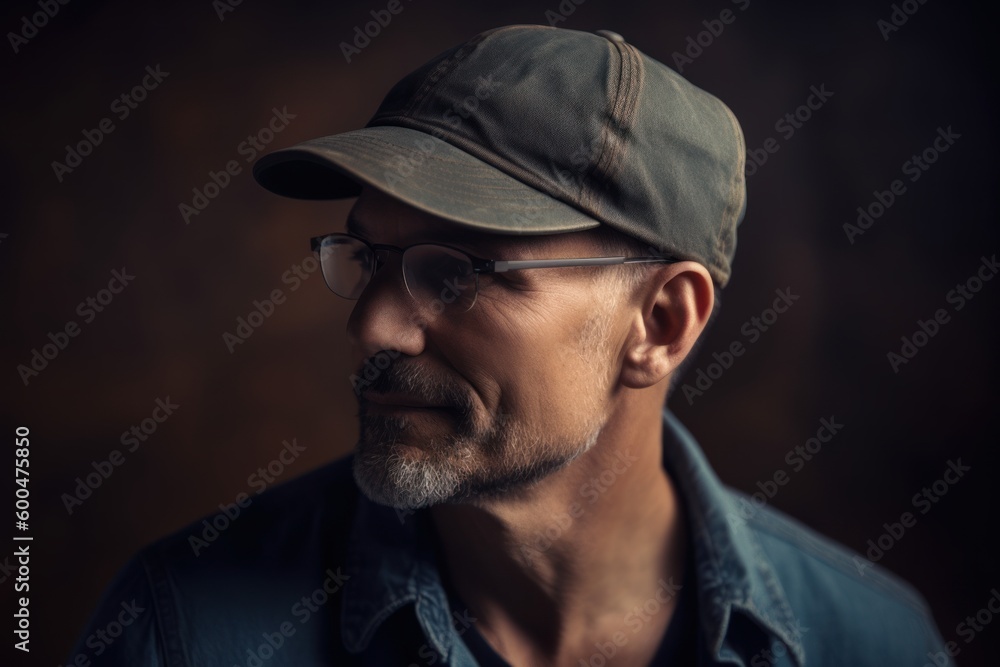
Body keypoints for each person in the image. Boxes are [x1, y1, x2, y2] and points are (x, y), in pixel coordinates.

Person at [70, 24, 951, 666]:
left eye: (456, 272)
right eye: (368, 258)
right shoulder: (181, 631)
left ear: (661, 323)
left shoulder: (871, 643)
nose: (371, 326)